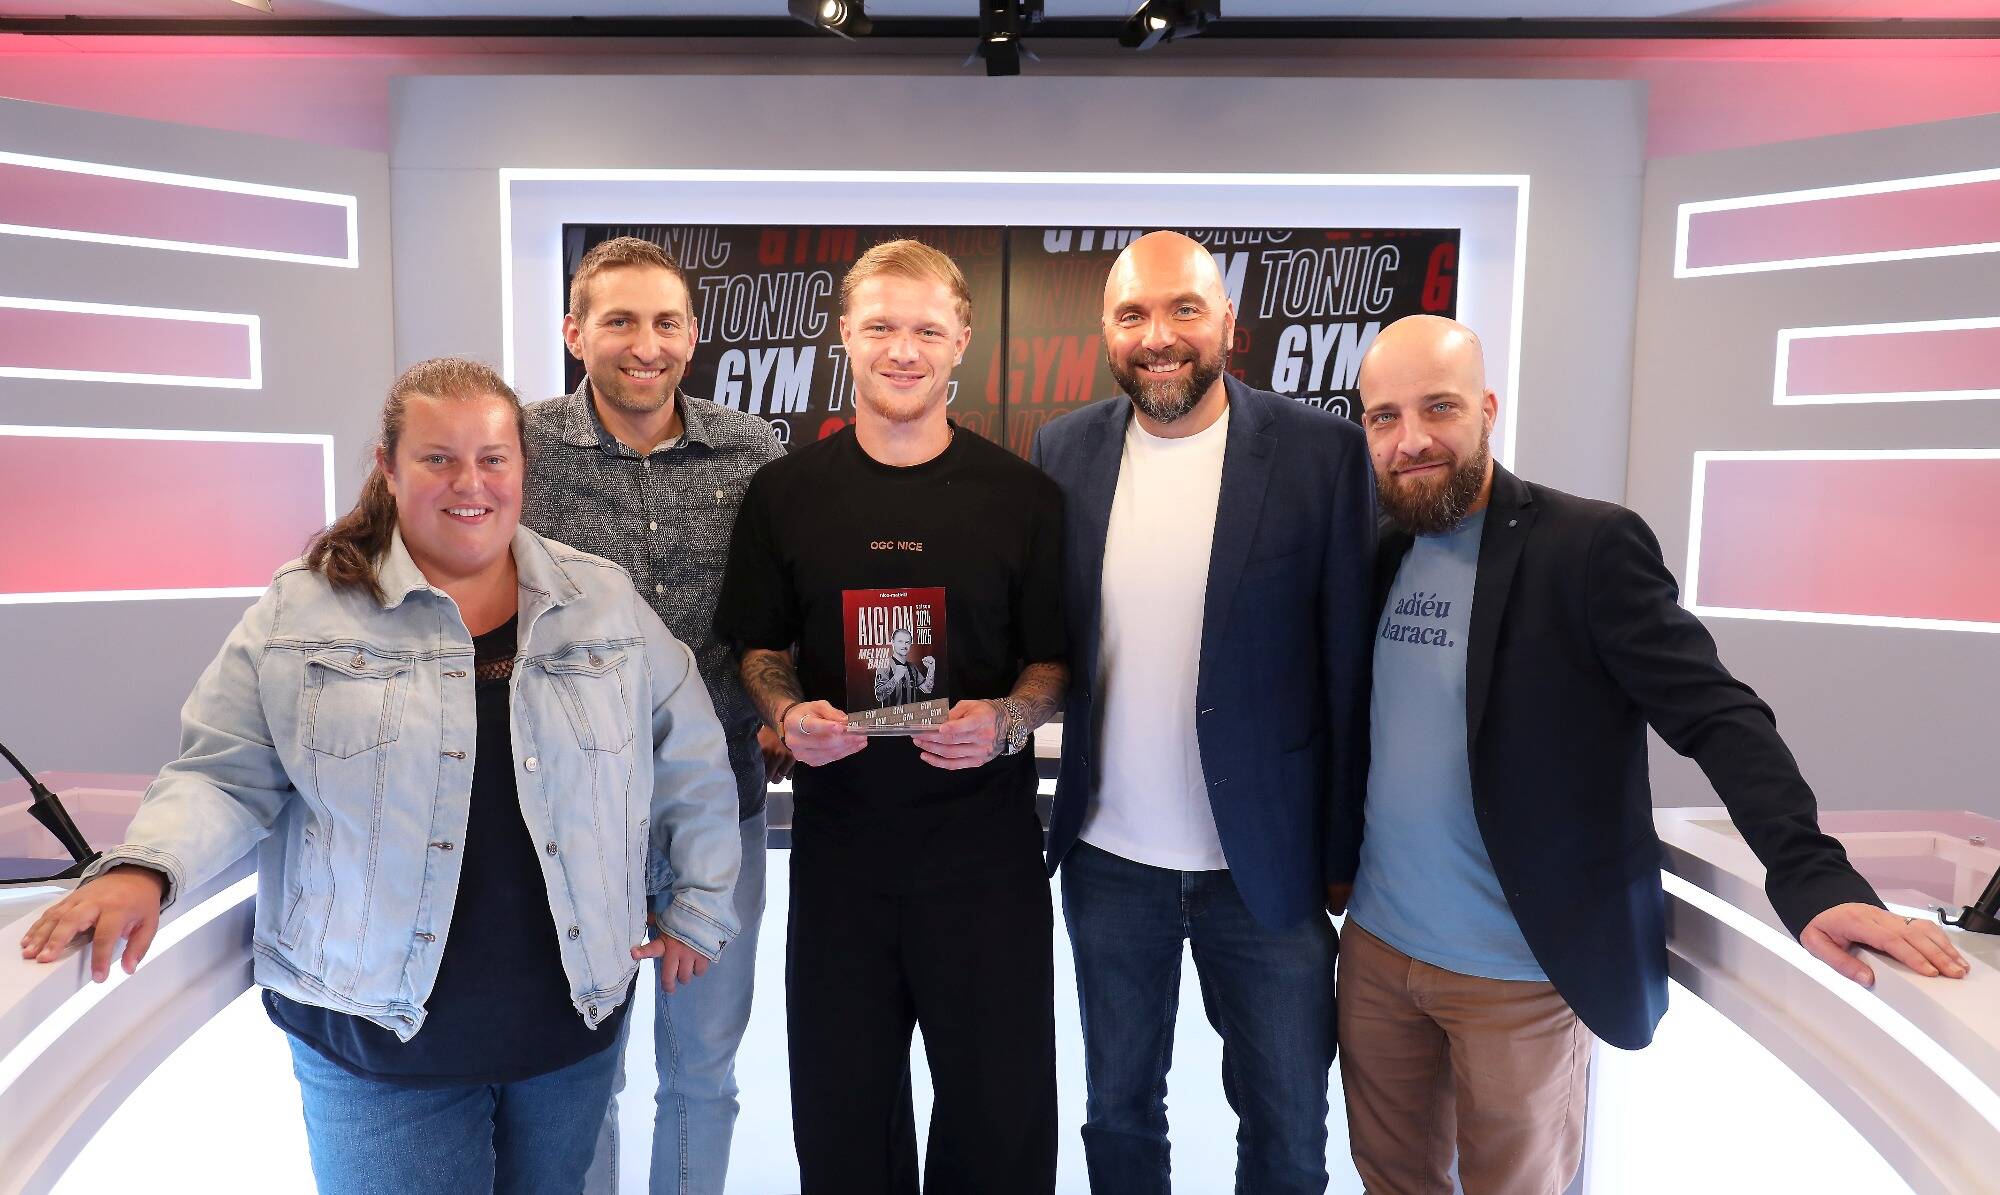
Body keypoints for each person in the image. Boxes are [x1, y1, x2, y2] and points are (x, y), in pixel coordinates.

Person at [19, 357, 743, 1195]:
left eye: (493, 458)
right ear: (389, 469)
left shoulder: (604, 601)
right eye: (438, 458)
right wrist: (146, 866)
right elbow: (222, 771)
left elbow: (688, 755)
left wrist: (699, 897)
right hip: (373, 1036)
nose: (469, 483)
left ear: (521, 470)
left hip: (567, 1029)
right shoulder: (304, 610)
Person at [1337, 314, 1971, 1195]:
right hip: (1376, 955)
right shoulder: (1375, 549)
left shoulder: (1585, 546)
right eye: (1384, 416)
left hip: (1521, 976)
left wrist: (1814, 876)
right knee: (1390, 1181)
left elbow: (1719, 714)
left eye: (1438, 408)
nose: (1411, 440)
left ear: (1486, 409)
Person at [1029, 230, 1377, 1195]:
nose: (1160, 335)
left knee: (1287, 1130)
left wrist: (1342, 851)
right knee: (1120, 1115)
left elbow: (1348, 668)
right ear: (1106, 329)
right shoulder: (1063, 450)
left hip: (1264, 871)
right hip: (1108, 865)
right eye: (1134, 313)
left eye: (1184, 308)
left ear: (1228, 321)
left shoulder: (1323, 453)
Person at [717, 239, 1067, 1194]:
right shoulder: (785, 492)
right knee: (843, 1133)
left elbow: (1054, 663)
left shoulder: (1025, 497)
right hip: (840, 866)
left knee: (1000, 1133)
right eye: (880, 326)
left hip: (986, 864)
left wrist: (1003, 718)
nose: (902, 349)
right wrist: (786, 711)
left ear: (961, 341)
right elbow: (757, 646)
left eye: (924, 328)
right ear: (845, 339)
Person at [521, 235, 787, 1195]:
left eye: (666, 321)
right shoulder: (521, 444)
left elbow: (780, 605)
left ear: (693, 333)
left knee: (705, 1070)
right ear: (574, 332)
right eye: (620, 320)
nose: (646, 344)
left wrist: (780, 704)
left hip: (719, 810)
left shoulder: (753, 449)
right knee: (583, 1069)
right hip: (566, 816)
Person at [874, 625, 937, 708]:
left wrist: (931, 669)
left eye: (907, 642)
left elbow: (927, 689)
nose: (904, 645)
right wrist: (895, 678)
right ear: (893, 642)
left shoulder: (912, 667)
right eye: (900, 641)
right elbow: (879, 696)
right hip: (891, 719)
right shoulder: (885, 665)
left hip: (912, 718)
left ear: (910, 644)